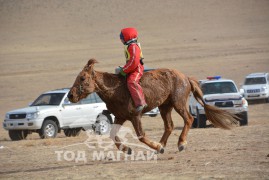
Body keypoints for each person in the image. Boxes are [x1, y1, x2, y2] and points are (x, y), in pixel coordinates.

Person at [118, 27, 147, 113]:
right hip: (132, 67)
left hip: (136, 68)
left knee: (132, 82)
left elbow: (134, 61)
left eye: (121, 37)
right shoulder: (129, 46)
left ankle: (141, 103)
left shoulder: (133, 47)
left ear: (127, 37)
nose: (120, 39)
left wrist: (124, 70)